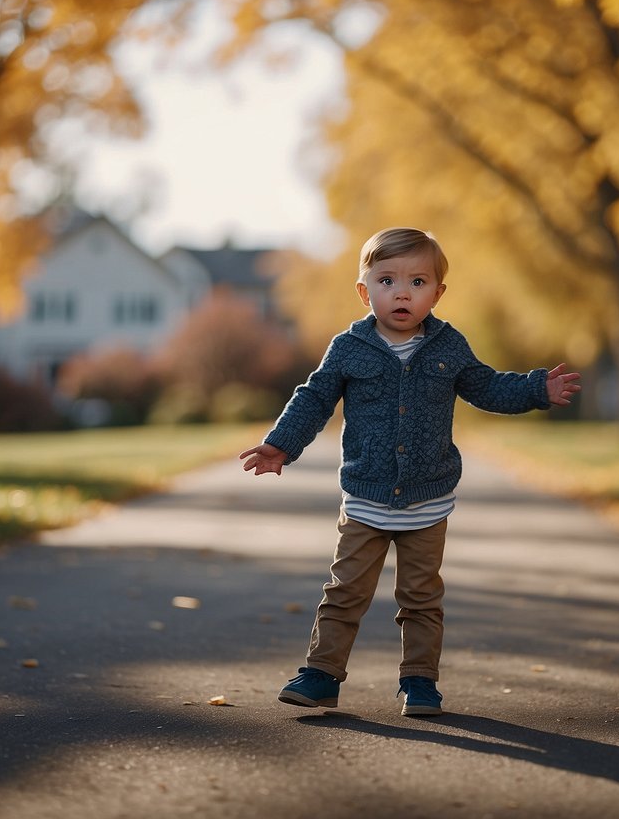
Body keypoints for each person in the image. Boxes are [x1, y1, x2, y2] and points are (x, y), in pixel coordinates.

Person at [238, 227, 581, 716]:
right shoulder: (349, 348)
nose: (402, 292)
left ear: (437, 293)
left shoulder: (448, 345)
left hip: (428, 499)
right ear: (365, 290)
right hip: (365, 498)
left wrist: (533, 390)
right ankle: (321, 674)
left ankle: (420, 682)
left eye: (418, 282)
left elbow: (486, 386)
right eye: (387, 280)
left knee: (421, 599)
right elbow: (313, 399)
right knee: (344, 592)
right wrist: (280, 445)